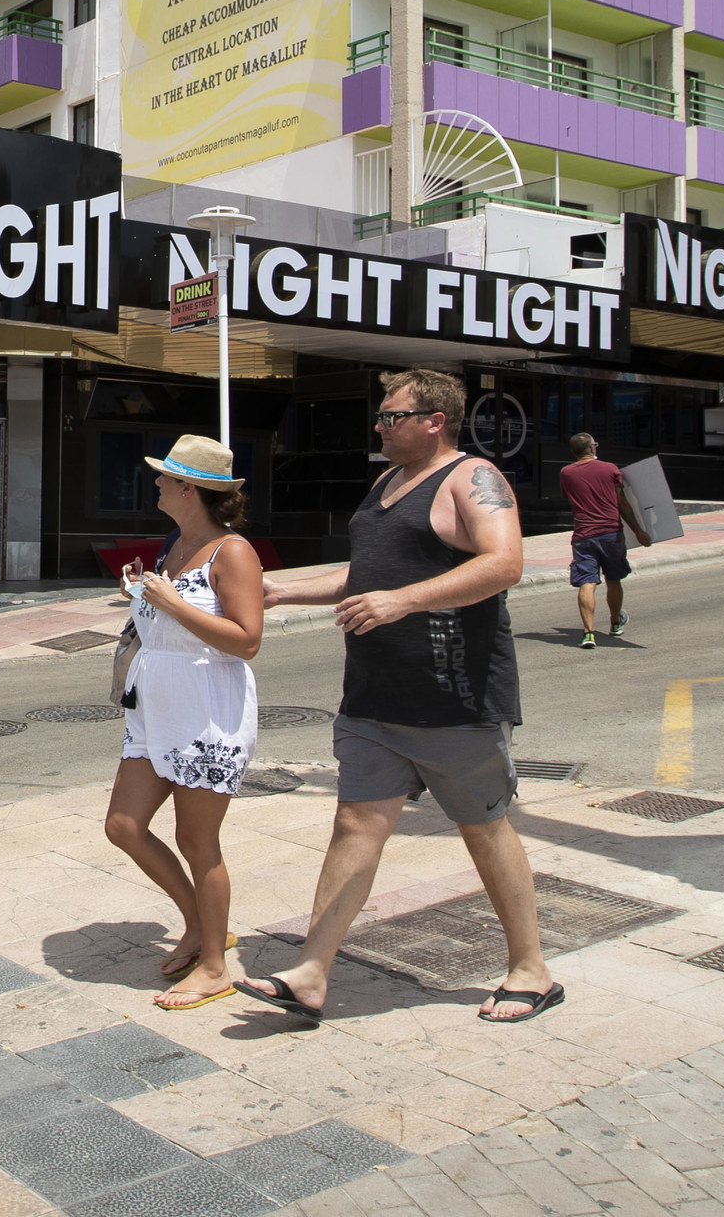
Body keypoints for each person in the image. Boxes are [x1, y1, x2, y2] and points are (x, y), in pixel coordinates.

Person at [241, 368, 560, 1027]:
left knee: (485, 828)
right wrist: (284, 591)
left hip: (454, 700)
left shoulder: (474, 479)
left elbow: (504, 562)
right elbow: (371, 572)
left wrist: (402, 601)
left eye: (392, 416)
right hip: (373, 700)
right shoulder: (388, 481)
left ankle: (531, 967)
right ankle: (311, 972)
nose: (380, 426)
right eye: (382, 416)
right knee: (354, 825)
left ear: (434, 420)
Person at [100, 432, 267, 1013]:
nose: (157, 482)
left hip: (206, 712)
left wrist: (174, 605)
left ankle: (217, 967)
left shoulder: (233, 552)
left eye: (165, 477)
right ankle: (199, 924)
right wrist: (141, 593)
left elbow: (247, 640)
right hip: (154, 708)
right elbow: (168, 619)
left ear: (191, 489)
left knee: (197, 841)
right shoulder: (176, 544)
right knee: (123, 824)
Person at [559, 432, 637, 648]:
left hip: (583, 536)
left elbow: (568, 497)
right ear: (592, 448)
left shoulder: (566, 473)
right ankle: (614, 624)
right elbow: (622, 504)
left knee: (587, 582)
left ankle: (588, 633)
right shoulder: (610, 468)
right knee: (613, 579)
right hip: (611, 533)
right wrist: (639, 532)